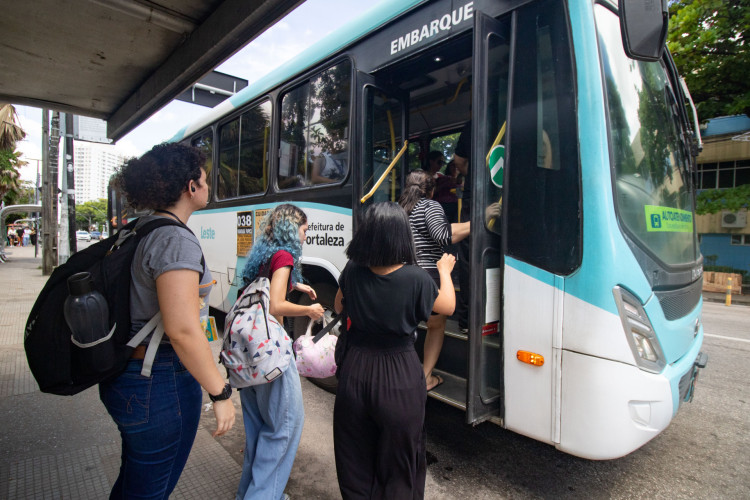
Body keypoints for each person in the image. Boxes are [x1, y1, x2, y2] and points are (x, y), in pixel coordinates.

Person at [100, 143, 236, 499]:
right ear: (191, 187)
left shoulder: (141, 228)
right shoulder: (175, 240)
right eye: (206, 180)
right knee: (150, 491)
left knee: (134, 481)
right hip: (157, 382)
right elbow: (182, 329)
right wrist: (220, 392)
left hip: (128, 374)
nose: (209, 187)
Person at [333, 201, 456, 499]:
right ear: (402, 236)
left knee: (354, 457)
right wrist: (444, 270)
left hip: (355, 370)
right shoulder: (416, 279)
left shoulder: (352, 271)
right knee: (400, 461)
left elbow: (338, 306)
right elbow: (448, 307)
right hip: (399, 375)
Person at [236, 203, 325, 500]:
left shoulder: (265, 256)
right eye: (303, 231)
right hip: (270, 351)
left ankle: (249, 493)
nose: (304, 237)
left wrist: (297, 284)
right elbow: (275, 305)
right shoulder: (285, 256)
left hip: (248, 354)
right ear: (291, 229)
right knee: (285, 428)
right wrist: (308, 309)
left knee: (257, 428)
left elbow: (265, 285)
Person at [399, 170, 470, 391]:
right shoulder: (431, 205)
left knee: (405, 326)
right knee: (436, 325)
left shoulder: (399, 208)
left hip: (401, 274)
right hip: (425, 275)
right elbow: (443, 235)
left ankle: (400, 373)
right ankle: (425, 377)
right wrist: (477, 222)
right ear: (430, 191)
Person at [452, 122, 471, 333]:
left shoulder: (471, 126)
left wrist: (471, 175)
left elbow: (459, 160)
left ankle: (466, 320)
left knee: (467, 257)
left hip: (475, 193)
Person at [428, 151, 459, 223]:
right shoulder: (423, 176)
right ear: (431, 162)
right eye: (439, 162)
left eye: (442, 163)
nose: (441, 165)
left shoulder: (440, 176)